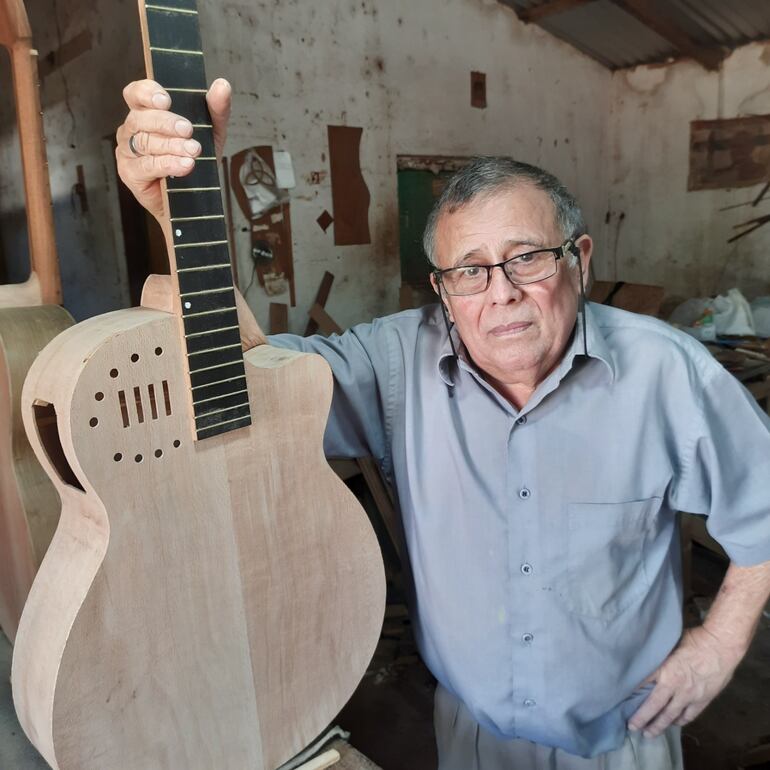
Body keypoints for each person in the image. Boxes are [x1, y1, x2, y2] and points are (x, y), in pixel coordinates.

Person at [116, 78, 770, 770]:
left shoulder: (667, 372)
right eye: (469, 271)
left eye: (527, 258)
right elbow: (249, 388)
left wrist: (718, 646)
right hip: (470, 737)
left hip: (622, 738)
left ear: (578, 259)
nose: (501, 294)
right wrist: (185, 219)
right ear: (441, 291)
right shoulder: (398, 361)